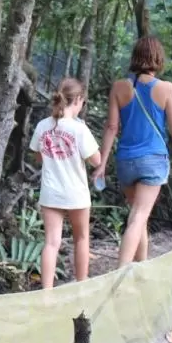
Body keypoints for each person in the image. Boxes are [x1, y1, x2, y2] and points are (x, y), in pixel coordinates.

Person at [92, 36, 172, 269]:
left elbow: (111, 127)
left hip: (126, 161)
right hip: (153, 160)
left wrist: (102, 164)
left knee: (139, 218)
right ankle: (120, 273)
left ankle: (141, 270)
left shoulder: (119, 87)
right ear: (158, 58)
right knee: (139, 216)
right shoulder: (167, 89)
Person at [28, 78, 101, 288]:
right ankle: (81, 285)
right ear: (77, 100)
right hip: (76, 193)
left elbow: (38, 156)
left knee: (51, 242)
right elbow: (95, 160)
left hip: (51, 193)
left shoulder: (43, 126)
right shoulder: (79, 129)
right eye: (82, 102)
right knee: (81, 238)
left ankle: (47, 293)